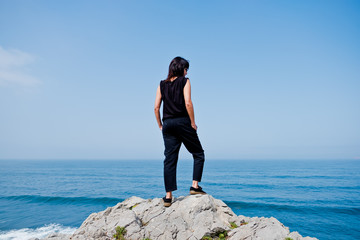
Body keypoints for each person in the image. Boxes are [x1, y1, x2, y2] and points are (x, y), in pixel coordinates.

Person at [154, 56, 206, 207]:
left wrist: (160, 125)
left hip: (168, 124)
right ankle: (195, 186)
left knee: (170, 159)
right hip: (182, 121)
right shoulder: (185, 81)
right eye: (186, 69)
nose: (186, 72)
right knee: (198, 154)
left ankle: (168, 196)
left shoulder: (161, 84)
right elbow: (188, 102)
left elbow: (156, 107)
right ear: (182, 69)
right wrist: (193, 122)